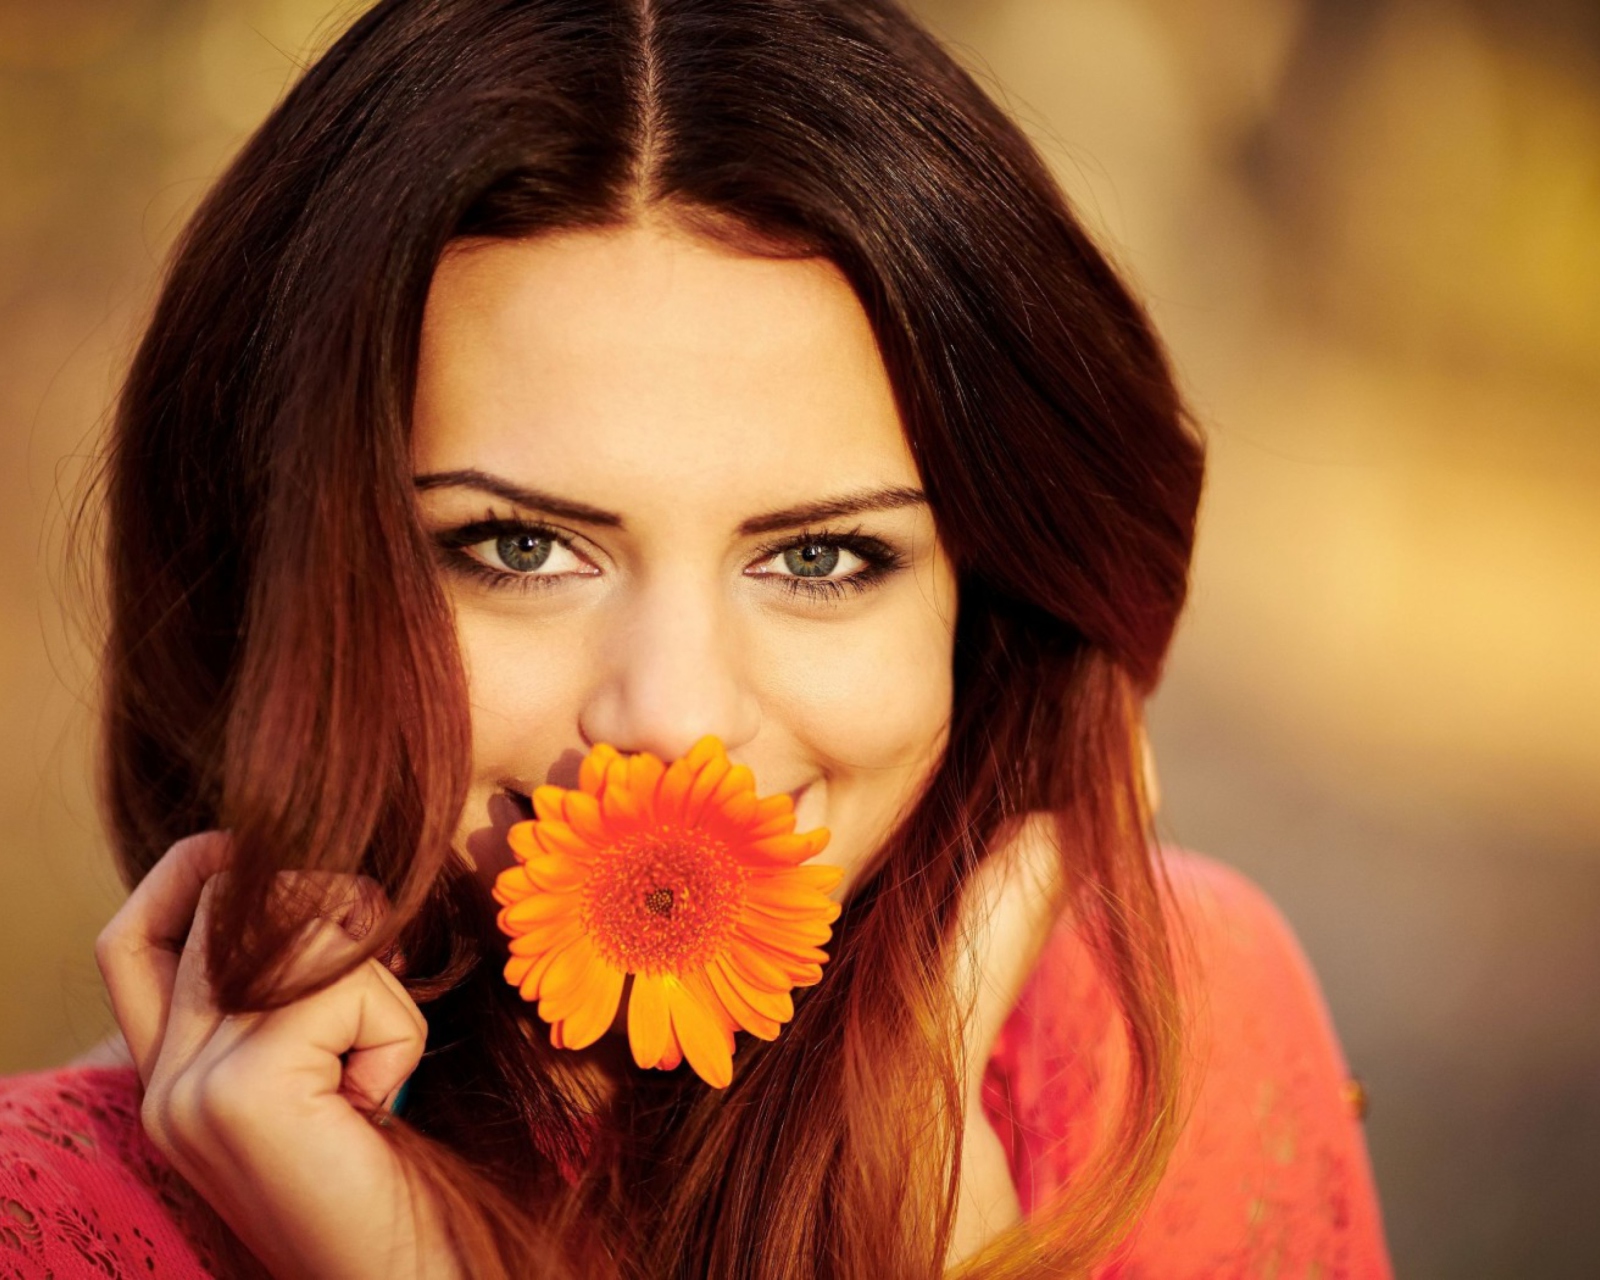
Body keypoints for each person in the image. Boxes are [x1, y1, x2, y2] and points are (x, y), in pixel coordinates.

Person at [0, 0, 1392, 1276]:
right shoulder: (52, 1224)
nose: (671, 720)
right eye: (519, 548)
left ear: (991, 604)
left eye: (821, 557)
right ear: (279, 572)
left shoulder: (1161, 1040)